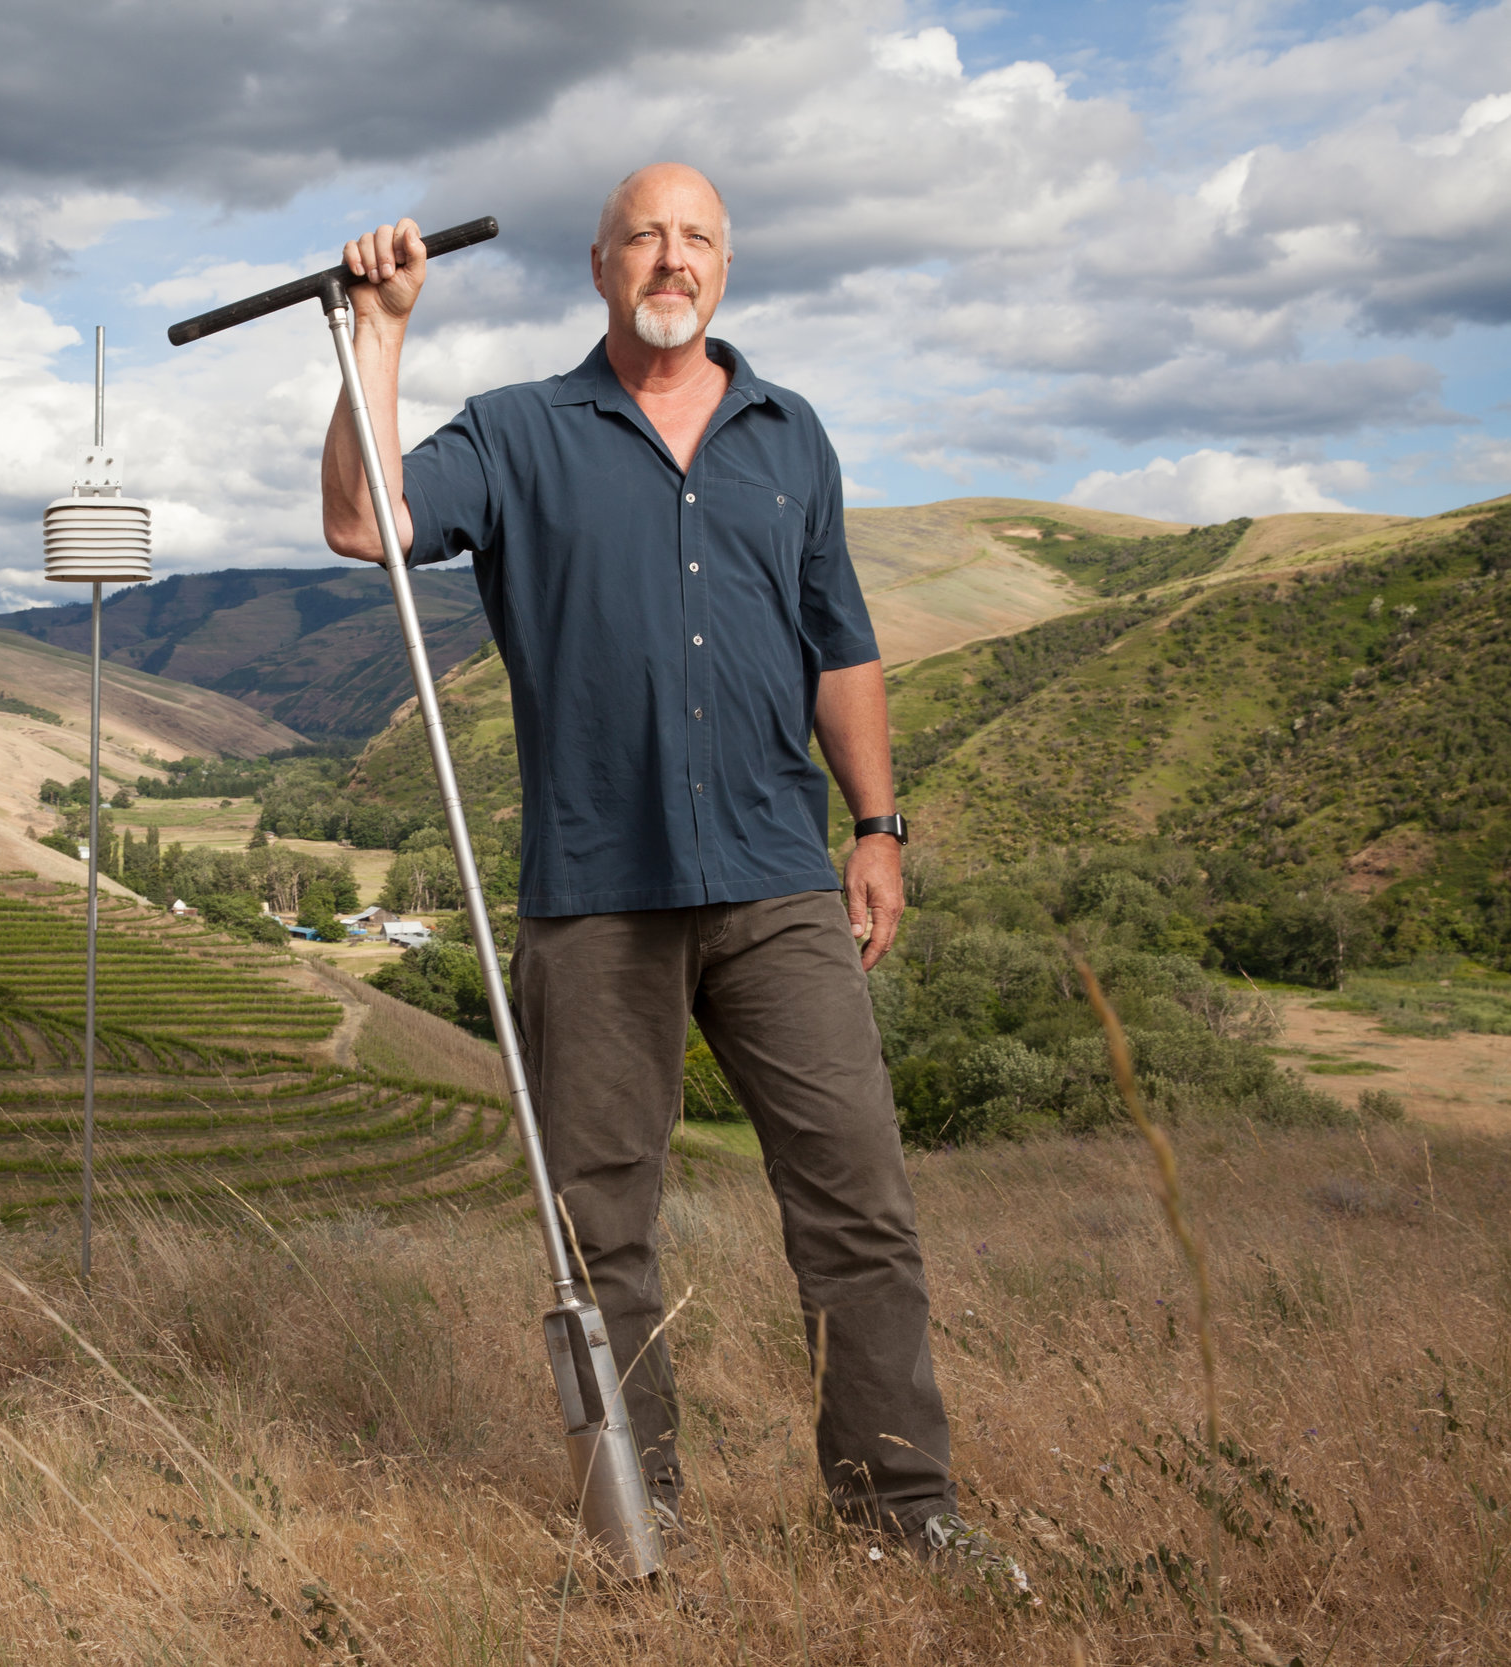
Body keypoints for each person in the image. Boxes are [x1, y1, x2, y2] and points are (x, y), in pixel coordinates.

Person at [320, 164, 1018, 1585]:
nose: (672, 256)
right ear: (598, 267)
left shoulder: (790, 433)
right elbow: (361, 526)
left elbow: (844, 642)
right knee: (602, 1237)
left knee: (859, 1206)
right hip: (597, 892)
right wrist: (379, 336)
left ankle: (901, 1514)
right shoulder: (520, 433)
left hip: (777, 880)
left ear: (726, 265)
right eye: (645, 233)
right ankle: (642, 1523)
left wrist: (877, 827)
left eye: (697, 236)